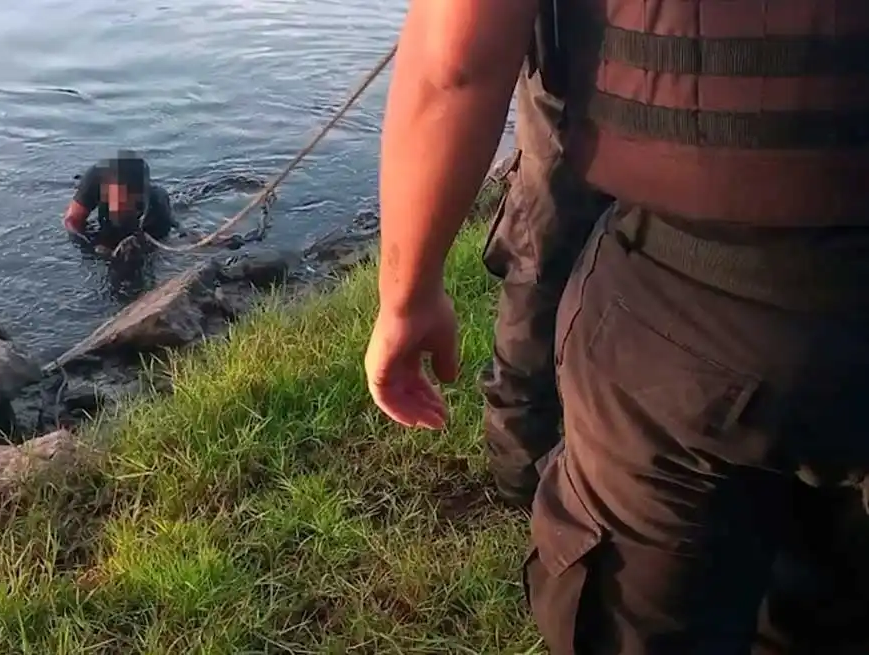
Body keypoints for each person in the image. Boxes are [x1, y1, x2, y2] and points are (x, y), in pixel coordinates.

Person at [364, 1, 869, 653]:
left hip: (684, 311)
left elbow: (454, 64)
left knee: (647, 616)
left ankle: (522, 462)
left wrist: (406, 297)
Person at [476, 1, 612, 509]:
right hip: (573, 76)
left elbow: (455, 74)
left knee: (544, 252)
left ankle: (533, 467)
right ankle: (522, 474)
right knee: (543, 252)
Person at [63, 150, 175, 259]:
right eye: (114, 199)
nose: (117, 208)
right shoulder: (94, 180)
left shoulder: (158, 204)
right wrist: (90, 247)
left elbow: (162, 245)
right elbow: (71, 220)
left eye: (123, 202)